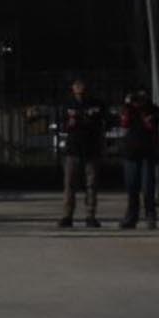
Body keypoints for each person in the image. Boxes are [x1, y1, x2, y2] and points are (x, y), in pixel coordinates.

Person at [55, 77, 109, 228]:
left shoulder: (97, 104)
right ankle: (67, 215)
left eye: (82, 86)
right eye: (76, 86)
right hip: (73, 149)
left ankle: (90, 215)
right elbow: (61, 124)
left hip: (91, 149)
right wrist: (69, 123)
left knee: (91, 184)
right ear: (72, 88)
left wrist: (91, 122)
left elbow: (106, 122)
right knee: (69, 184)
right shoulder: (68, 105)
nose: (79, 89)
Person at [117, 89, 159, 229]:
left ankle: (150, 216)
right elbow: (124, 123)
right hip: (131, 153)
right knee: (132, 187)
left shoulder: (153, 110)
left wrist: (143, 110)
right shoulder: (129, 109)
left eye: (142, 98)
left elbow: (151, 125)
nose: (138, 101)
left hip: (147, 153)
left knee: (148, 187)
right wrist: (128, 106)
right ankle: (131, 217)